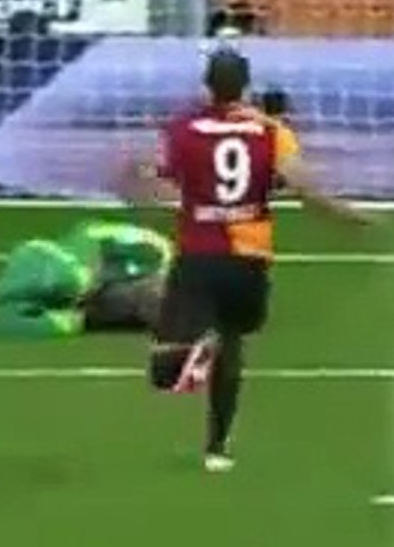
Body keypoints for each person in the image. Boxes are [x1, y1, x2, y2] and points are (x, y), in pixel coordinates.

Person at [134, 50, 374, 473]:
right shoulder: (271, 131)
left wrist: (153, 191)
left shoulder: (184, 128)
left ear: (207, 85)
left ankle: (196, 353)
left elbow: (155, 179)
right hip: (249, 258)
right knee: (233, 344)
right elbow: (304, 187)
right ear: (246, 86)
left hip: (199, 253)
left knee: (164, 366)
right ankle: (217, 448)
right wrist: (348, 216)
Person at [0, 218, 174, 341]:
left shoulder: (138, 303)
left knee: (66, 324)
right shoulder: (156, 251)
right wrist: (92, 278)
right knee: (75, 280)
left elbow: (82, 322)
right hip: (46, 258)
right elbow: (91, 235)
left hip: (77, 287)